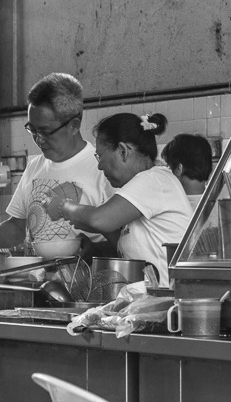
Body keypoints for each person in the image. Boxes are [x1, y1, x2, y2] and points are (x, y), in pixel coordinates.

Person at [46, 113, 192, 288]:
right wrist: (96, 247)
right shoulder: (147, 183)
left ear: (123, 151)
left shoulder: (153, 180)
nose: (99, 166)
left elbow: (99, 219)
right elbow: (130, 245)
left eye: (100, 156)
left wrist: (64, 207)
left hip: (167, 302)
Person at [0, 73, 114, 255]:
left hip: (88, 279)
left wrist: (94, 251)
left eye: (46, 132)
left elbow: (126, 240)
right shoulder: (35, 166)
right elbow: (17, 228)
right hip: (39, 279)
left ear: (74, 125)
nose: (38, 139)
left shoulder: (103, 168)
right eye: (32, 130)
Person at [161, 134, 213, 209]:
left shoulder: (170, 206)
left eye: (168, 166)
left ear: (179, 169)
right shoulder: (216, 203)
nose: (166, 169)